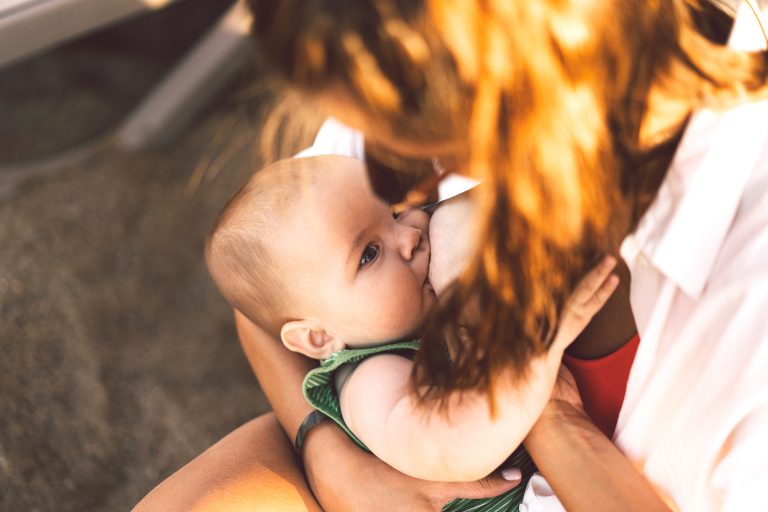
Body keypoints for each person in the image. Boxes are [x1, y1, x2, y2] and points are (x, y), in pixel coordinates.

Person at [134, 0, 768, 510]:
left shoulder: (744, 287)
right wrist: (334, 458)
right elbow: (268, 305)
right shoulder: (410, 37)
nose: (401, 198)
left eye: (419, 142)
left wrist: (548, 414)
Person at [204, 153, 620, 510]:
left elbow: (424, 215)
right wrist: (538, 349)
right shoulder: (371, 380)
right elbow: (453, 445)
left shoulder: (400, 290)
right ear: (318, 338)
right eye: (369, 254)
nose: (410, 236)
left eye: (393, 213)